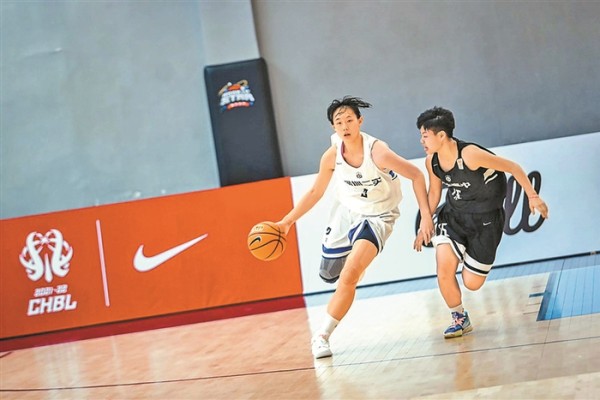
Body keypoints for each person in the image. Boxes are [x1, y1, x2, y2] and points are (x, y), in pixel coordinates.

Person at [275, 96, 434, 359]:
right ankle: (350, 268)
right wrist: (287, 221)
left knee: (349, 274)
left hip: (379, 215)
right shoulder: (331, 156)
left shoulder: (378, 152)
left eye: (349, 119)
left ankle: (322, 335)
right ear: (333, 127)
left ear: (360, 121)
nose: (345, 126)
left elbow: (416, 175)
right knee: (329, 275)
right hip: (347, 213)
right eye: (339, 122)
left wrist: (426, 216)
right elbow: (315, 192)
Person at [413, 106, 549, 339]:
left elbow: (513, 167)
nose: (421, 141)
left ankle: (469, 258)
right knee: (443, 269)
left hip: (486, 221)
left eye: (425, 136)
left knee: (472, 283)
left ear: (441, 135)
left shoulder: (470, 155)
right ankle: (459, 318)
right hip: (453, 216)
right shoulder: (431, 161)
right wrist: (426, 220)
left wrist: (533, 196)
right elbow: (434, 192)